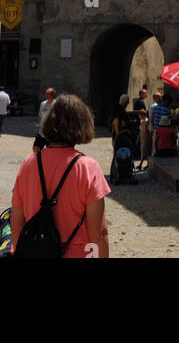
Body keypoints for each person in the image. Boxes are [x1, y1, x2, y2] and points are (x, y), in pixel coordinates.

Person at [11, 93, 110, 259]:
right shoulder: (88, 167)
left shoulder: (29, 163)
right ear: (83, 125)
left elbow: (17, 225)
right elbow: (98, 233)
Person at [33, 86, 57, 151]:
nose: (45, 95)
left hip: (51, 132)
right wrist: (40, 124)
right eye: (46, 93)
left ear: (52, 95)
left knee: (50, 150)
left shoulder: (57, 104)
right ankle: (38, 159)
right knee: (35, 148)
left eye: (47, 94)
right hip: (41, 131)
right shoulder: (43, 104)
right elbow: (41, 115)